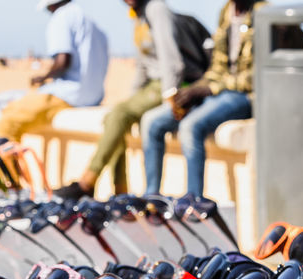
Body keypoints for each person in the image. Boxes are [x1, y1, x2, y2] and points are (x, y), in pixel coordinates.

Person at [54, 0, 187, 200]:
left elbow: (172, 60)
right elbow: (143, 64)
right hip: (151, 85)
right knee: (113, 118)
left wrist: (170, 96)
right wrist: (132, 99)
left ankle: (87, 181)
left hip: (166, 85)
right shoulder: (138, 15)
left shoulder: (156, 9)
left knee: (119, 114)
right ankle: (120, 191)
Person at [140, 1, 259, 197]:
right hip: (217, 92)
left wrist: (208, 89)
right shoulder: (227, 12)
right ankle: (151, 197)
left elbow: (255, 77)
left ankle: (193, 200)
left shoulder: (261, 13)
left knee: (190, 126)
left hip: (243, 96)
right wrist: (194, 91)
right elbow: (217, 67)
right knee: (152, 122)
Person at [0, 0, 109, 142]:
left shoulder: (62, 16)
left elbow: (62, 61)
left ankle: (11, 164)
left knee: (8, 124)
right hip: (94, 97)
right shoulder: (91, 22)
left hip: (70, 94)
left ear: (51, 6)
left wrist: (42, 78)